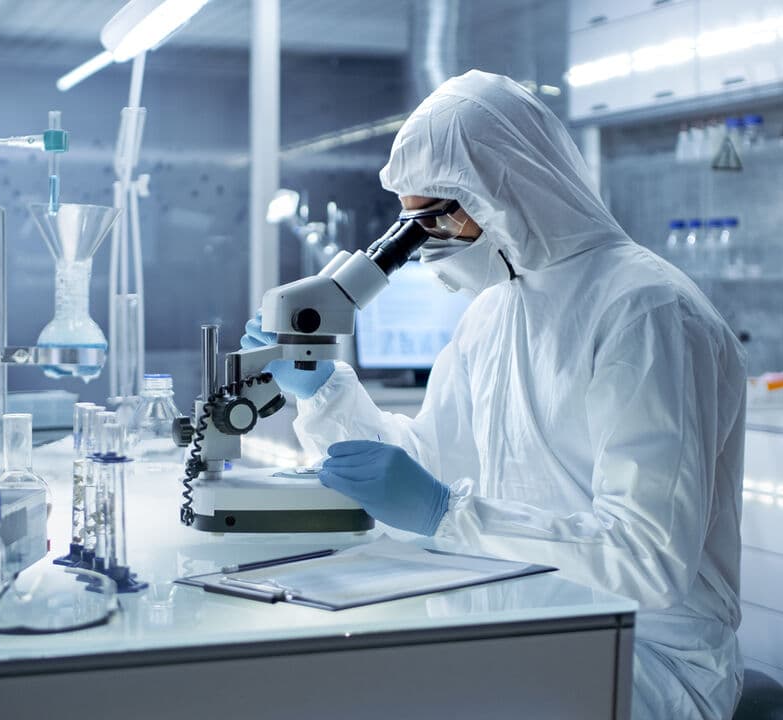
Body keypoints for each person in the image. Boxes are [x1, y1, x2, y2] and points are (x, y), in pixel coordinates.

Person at [242, 70, 746, 720]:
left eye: (439, 218)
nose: (429, 244)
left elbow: (646, 560)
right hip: (528, 616)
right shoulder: (493, 313)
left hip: (651, 660)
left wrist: (446, 514)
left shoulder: (645, 310)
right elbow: (427, 465)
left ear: (512, 188)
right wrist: (324, 390)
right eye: (415, 224)